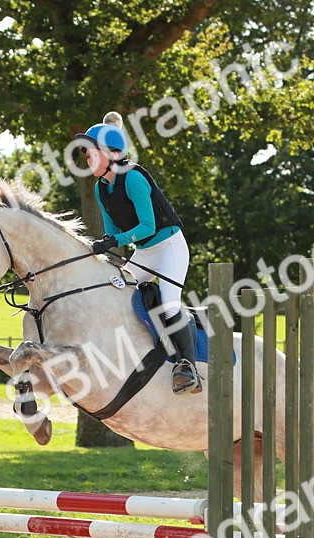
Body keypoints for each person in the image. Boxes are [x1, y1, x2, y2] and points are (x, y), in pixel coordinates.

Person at [74, 112, 201, 395]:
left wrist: (115, 240)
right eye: (87, 155)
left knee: (169, 305)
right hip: (144, 251)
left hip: (168, 247)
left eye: (92, 153)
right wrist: (104, 246)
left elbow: (148, 225)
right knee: (113, 288)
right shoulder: (101, 189)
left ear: (111, 153)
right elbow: (112, 233)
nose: (88, 160)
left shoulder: (132, 178)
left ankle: (187, 366)